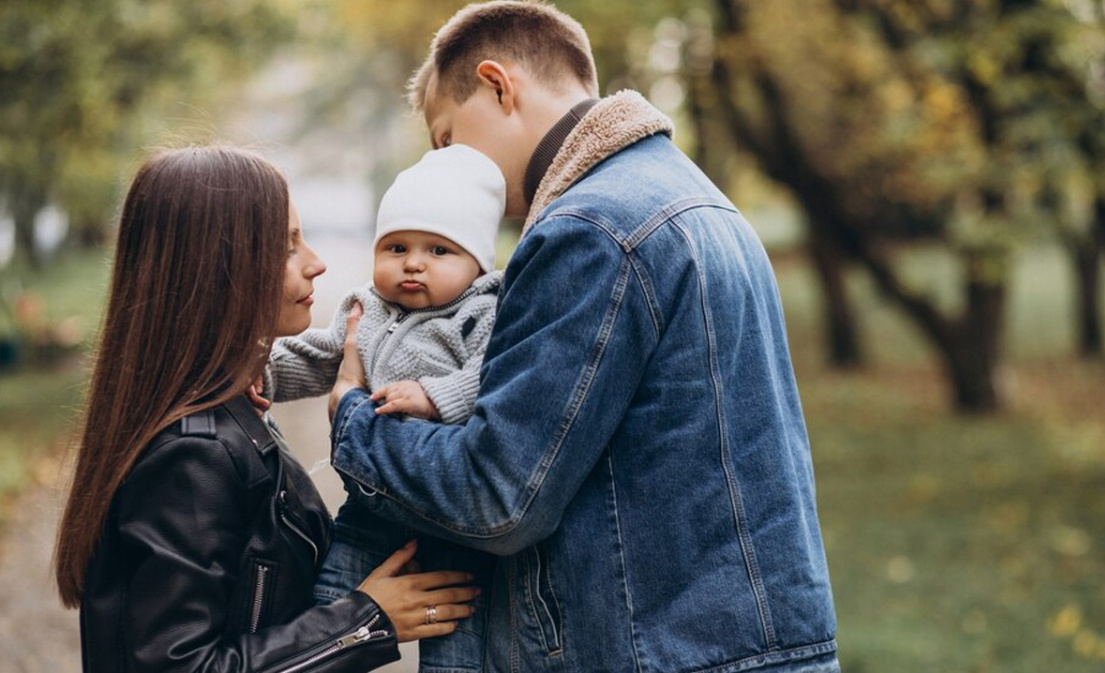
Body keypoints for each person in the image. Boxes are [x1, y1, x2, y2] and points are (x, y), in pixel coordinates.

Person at [328, 2, 841, 672]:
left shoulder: (588, 229)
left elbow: (499, 496)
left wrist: (352, 419)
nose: (444, 169)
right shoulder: (694, 198)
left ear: (498, 86)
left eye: (447, 140)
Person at [53, 146, 479, 673]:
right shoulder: (191, 452)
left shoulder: (230, 407)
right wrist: (365, 621)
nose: (317, 263)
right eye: (287, 246)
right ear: (217, 268)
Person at [263, 143, 506, 672]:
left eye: (439, 251)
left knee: (457, 638)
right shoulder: (365, 308)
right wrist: (254, 374)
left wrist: (435, 397)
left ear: (476, 264)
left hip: (450, 512)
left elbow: (490, 375)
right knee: (329, 605)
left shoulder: (482, 312)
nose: (413, 263)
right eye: (395, 247)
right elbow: (320, 358)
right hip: (371, 508)